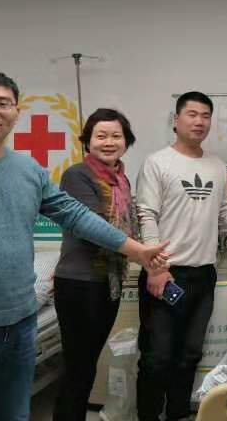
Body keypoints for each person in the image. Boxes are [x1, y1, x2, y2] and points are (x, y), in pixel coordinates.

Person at [0, 71, 169, 421]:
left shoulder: (28, 170)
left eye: (2, 103)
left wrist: (137, 251)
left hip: (21, 324)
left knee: (13, 415)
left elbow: (75, 215)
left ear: (16, 112)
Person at [135, 91, 227, 421]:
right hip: (167, 273)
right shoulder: (157, 163)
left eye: (205, 116)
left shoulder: (216, 166)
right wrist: (156, 269)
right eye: (192, 114)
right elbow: (146, 215)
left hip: (203, 275)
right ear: (176, 120)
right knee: (157, 356)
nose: (199, 121)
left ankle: (178, 413)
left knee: (189, 353)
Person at [52, 108, 140, 421]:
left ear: (126, 141)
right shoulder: (77, 175)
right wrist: (142, 252)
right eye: (101, 136)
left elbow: (129, 222)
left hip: (107, 281)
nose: (109, 142)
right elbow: (93, 227)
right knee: (78, 367)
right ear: (87, 141)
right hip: (79, 283)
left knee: (86, 364)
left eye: (116, 136)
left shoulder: (121, 179)